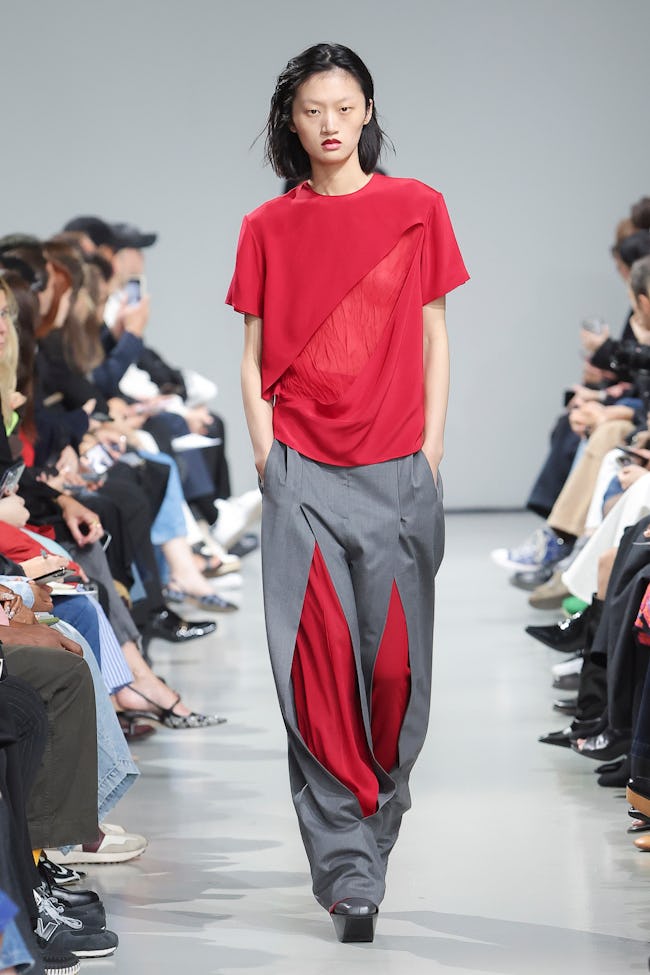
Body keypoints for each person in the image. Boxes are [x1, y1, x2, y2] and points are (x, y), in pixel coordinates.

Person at [227, 42, 468, 942]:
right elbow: (253, 355)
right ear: (291, 123)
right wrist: (268, 459)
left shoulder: (417, 208)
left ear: (367, 110)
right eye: (311, 110)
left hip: (399, 469)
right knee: (318, 673)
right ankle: (349, 873)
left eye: (343, 105)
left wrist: (431, 450)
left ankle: (373, 829)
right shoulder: (266, 225)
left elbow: (435, 335)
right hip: (303, 476)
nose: (329, 124)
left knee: (396, 674)